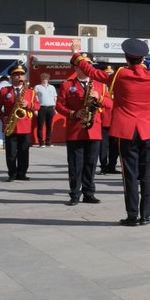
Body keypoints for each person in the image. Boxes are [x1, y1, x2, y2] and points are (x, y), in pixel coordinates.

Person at [73, 40, 150, 226]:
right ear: (143, 58)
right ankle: (145, 215)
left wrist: (77, 55)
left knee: (129, 175)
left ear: (126, 58)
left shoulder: (120, 75)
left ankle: (132, 216)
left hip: (127, 130)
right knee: (148, 174)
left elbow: (93, 72)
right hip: (147, 131)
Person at [55, 58, 105, 206]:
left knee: (91, 164)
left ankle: (89, 193)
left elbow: (110, 103)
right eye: (80, 66)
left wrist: (99, 98)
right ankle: (75, 194)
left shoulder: (100, 85)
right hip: (75, 130)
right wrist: (73, 113)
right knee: (75, 165)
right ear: (75, 68)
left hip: (94, 130)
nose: (84, 68)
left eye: (87, 65)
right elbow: (59, 106)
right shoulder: (67, 85)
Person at [0, 62, 40, 182]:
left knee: (24, 151)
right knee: (11, 152)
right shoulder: (5, 91)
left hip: (25, 126)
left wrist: (28, 104)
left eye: (22, 75)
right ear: (11, 78)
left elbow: (38, 106)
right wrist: (4, 118)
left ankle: (22, 173)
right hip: (10, 125)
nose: (20, 77)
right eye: (16, 75)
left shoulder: (31, 91)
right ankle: (12, 173)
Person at [97, 67, 118, 174]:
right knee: (103, 145)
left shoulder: (118, 86)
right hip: (104, 119)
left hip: (116, 120)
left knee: (115, 146)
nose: (109, 76)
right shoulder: (100, 87)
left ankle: (112, 166)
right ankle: (103, 166)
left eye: (111, 74)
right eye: (107, 74)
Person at [32, 73, 57, 147]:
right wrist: (35, 109)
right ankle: (41, 143)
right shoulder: (37, 87)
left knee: (49, 126)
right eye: (43, 78)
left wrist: (55, 108)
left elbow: (55, 97)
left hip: (50, 108)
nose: (44, 79)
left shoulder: (52, 87)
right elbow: (34, 98)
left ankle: (48, 142)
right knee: (40, 126)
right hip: (41, 108)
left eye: (45, 78)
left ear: (48, 79)